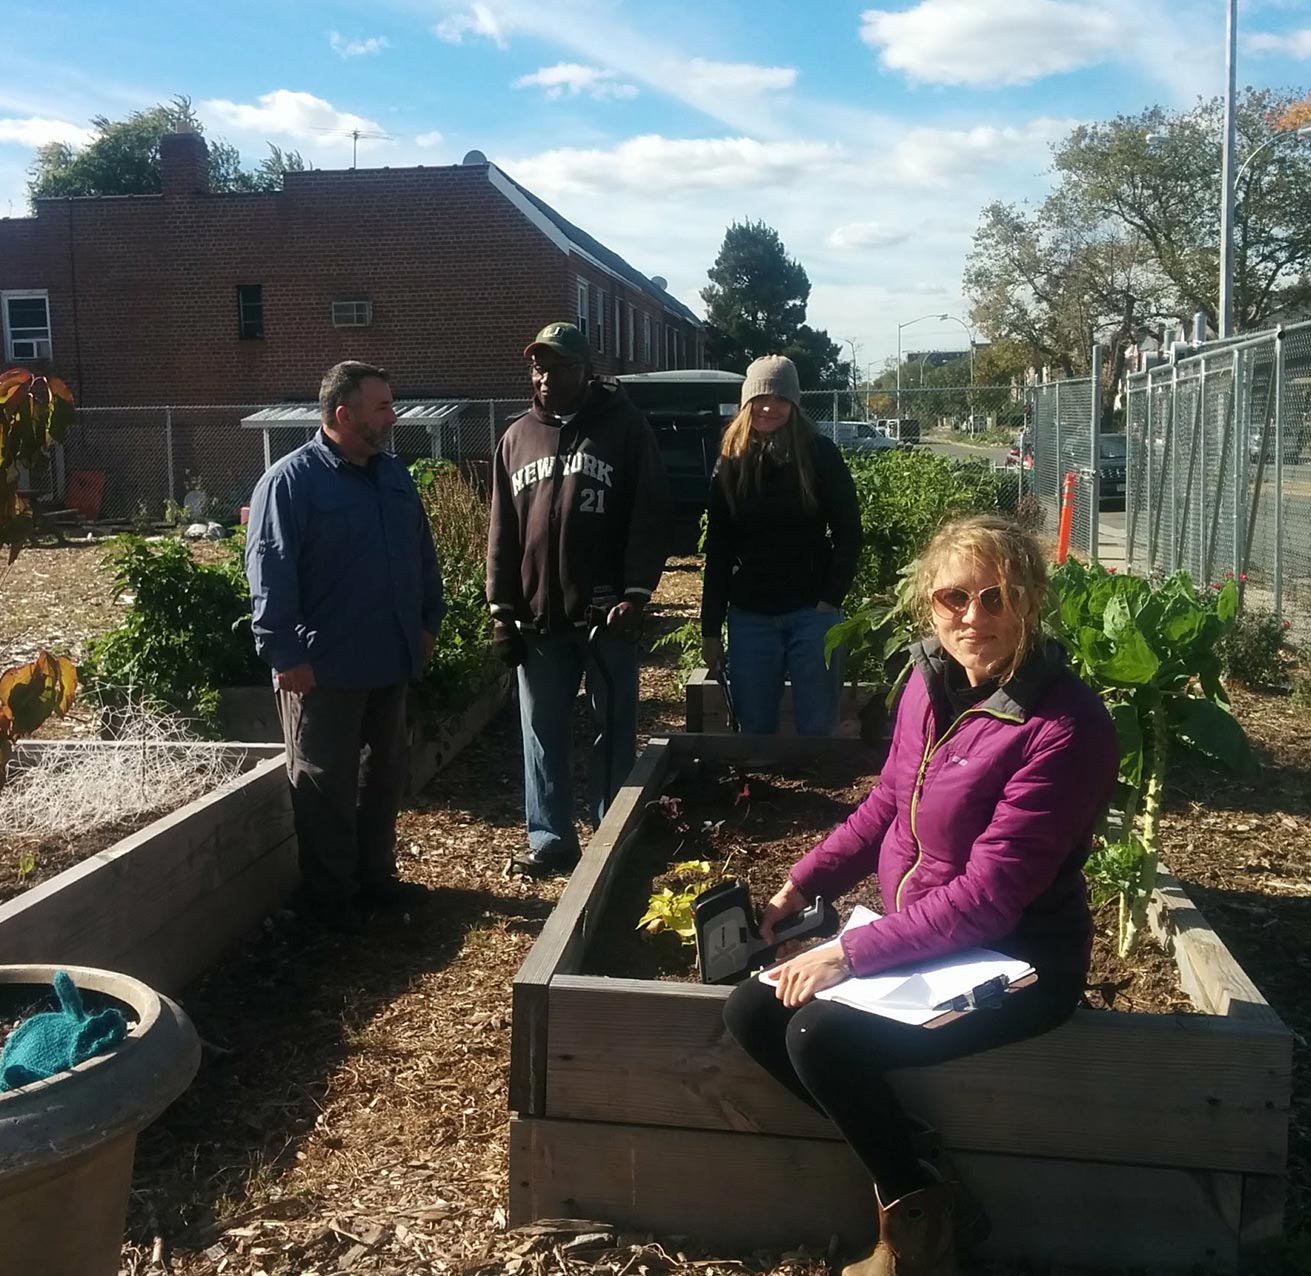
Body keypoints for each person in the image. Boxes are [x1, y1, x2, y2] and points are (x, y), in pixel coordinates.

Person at [721, 513, 1119, 1275]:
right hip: (933, 947)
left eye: (997, 598)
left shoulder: (1064, 727)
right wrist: (803, 881)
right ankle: (925, 1179)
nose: (974, 617)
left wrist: (849, 954)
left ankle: (918, 1240)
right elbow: (886, 804)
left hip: (1017, 960)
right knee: (752, 1011)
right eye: (954, 598)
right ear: (928, 605)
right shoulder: (929, 683)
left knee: (819, 1035)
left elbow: (990, 899)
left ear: (1032, 600)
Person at [246, 361, 445, 933]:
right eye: (382, 406)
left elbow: (420, 555)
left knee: (384, 778)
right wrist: (286, 654)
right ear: (344, 414)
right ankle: (332, 902)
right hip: (323, 670)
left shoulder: (394, 476)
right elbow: (270, 573)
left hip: (390, 659)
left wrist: (428, 622)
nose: (393, 415)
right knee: (323, 786)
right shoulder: (290, 482)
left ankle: (376, 880)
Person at [487, 322, 670, 878]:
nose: (545, 378)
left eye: (558, 366)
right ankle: (550, 840)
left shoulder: (625, 429)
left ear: (585, 369)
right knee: (541, 732)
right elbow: (503, 530)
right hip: (539, 621)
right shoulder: (516, 438)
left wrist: (638, 593)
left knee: (612, 728)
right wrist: (501, 610)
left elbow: (649, 515)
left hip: (607, 617)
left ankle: (610, 832)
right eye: (538, 367)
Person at [700, 354, 862, 736]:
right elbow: (719, 550)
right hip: (751, 614)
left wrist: (830, 599)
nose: (769, 407)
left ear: (794, 404)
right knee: (754, 731)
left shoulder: (820, 455)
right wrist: (710, 629)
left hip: (812, 613)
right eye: (760, 398)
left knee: (817, 728)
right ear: (746, 403)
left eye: (780, 398)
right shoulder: (730, 462)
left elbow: (849, 532)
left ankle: (820, 795)